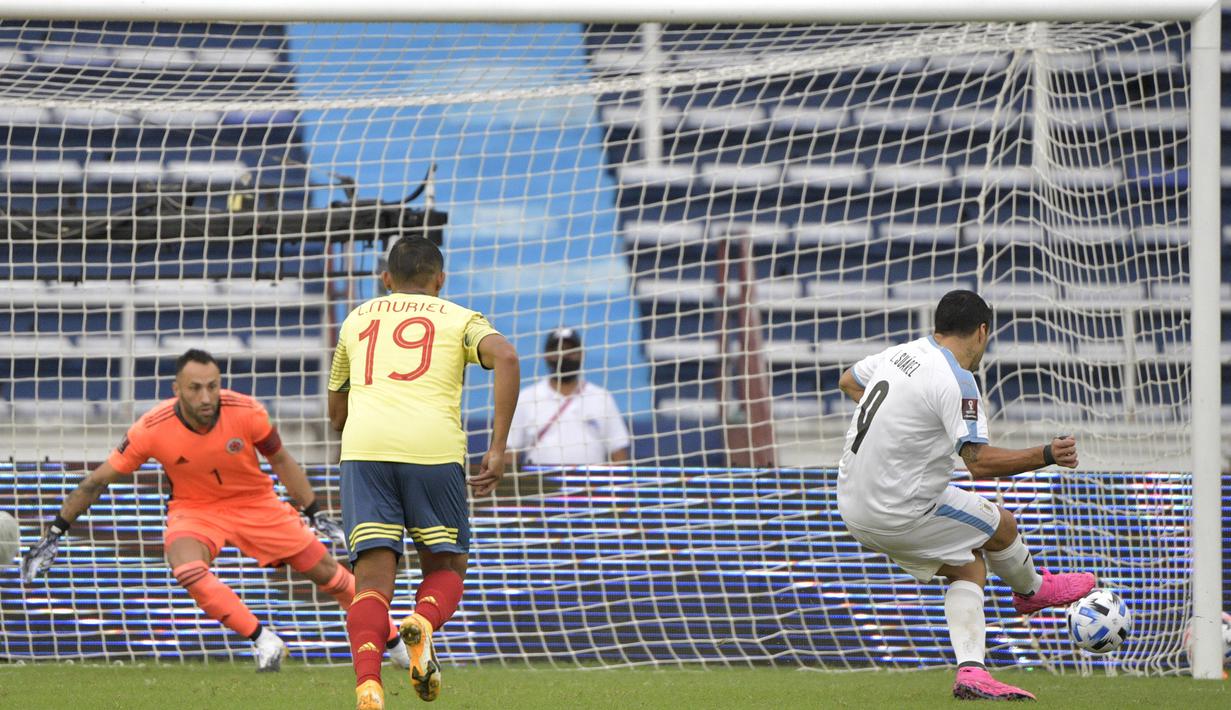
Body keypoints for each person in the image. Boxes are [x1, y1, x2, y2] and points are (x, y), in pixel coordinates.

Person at [21, 349, 408, 672]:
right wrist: (55, 530)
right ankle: (265, 640)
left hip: (258, 504)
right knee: (185, 565)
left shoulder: (247, 411)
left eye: (212, 386)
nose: (206, 397)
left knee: (330, 575)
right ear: (177, 390)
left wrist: (313, 511)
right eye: (195, 388)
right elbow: (97, 480)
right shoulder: (151, 429)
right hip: (196, 509)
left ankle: (395, 644)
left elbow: (282, 460)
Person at [835, 290, 1095, 701]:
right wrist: (1047, 455)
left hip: (851, 502)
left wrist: (899, 428)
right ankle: (1032, 591)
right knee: (1001, 525)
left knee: (968, 567)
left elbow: (849, 380)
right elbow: (980, 463)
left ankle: (972, 672)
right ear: (981, 331)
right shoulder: (956, 379)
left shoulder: (901, 353)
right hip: (899, 508)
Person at [328, 236, 519, 709]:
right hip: (433, 449)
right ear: (440, 280)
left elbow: (336, 412)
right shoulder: (460, 318)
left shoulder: (357, 319)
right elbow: (508, 358)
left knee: (371, 585)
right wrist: (496, 447)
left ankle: (368, 685)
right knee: (447, 566)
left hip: (366, 448)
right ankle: (424, 623)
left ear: (386, 279)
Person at [508, 327, 631, 467]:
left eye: (569, 351)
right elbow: (509, 450)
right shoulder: (527, 398)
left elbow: (618, 452)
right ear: (546, 355)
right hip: (541, 485)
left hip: (592, 485)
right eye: (558, 350)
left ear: (581, 354)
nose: (563, 356)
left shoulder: (601, 397)